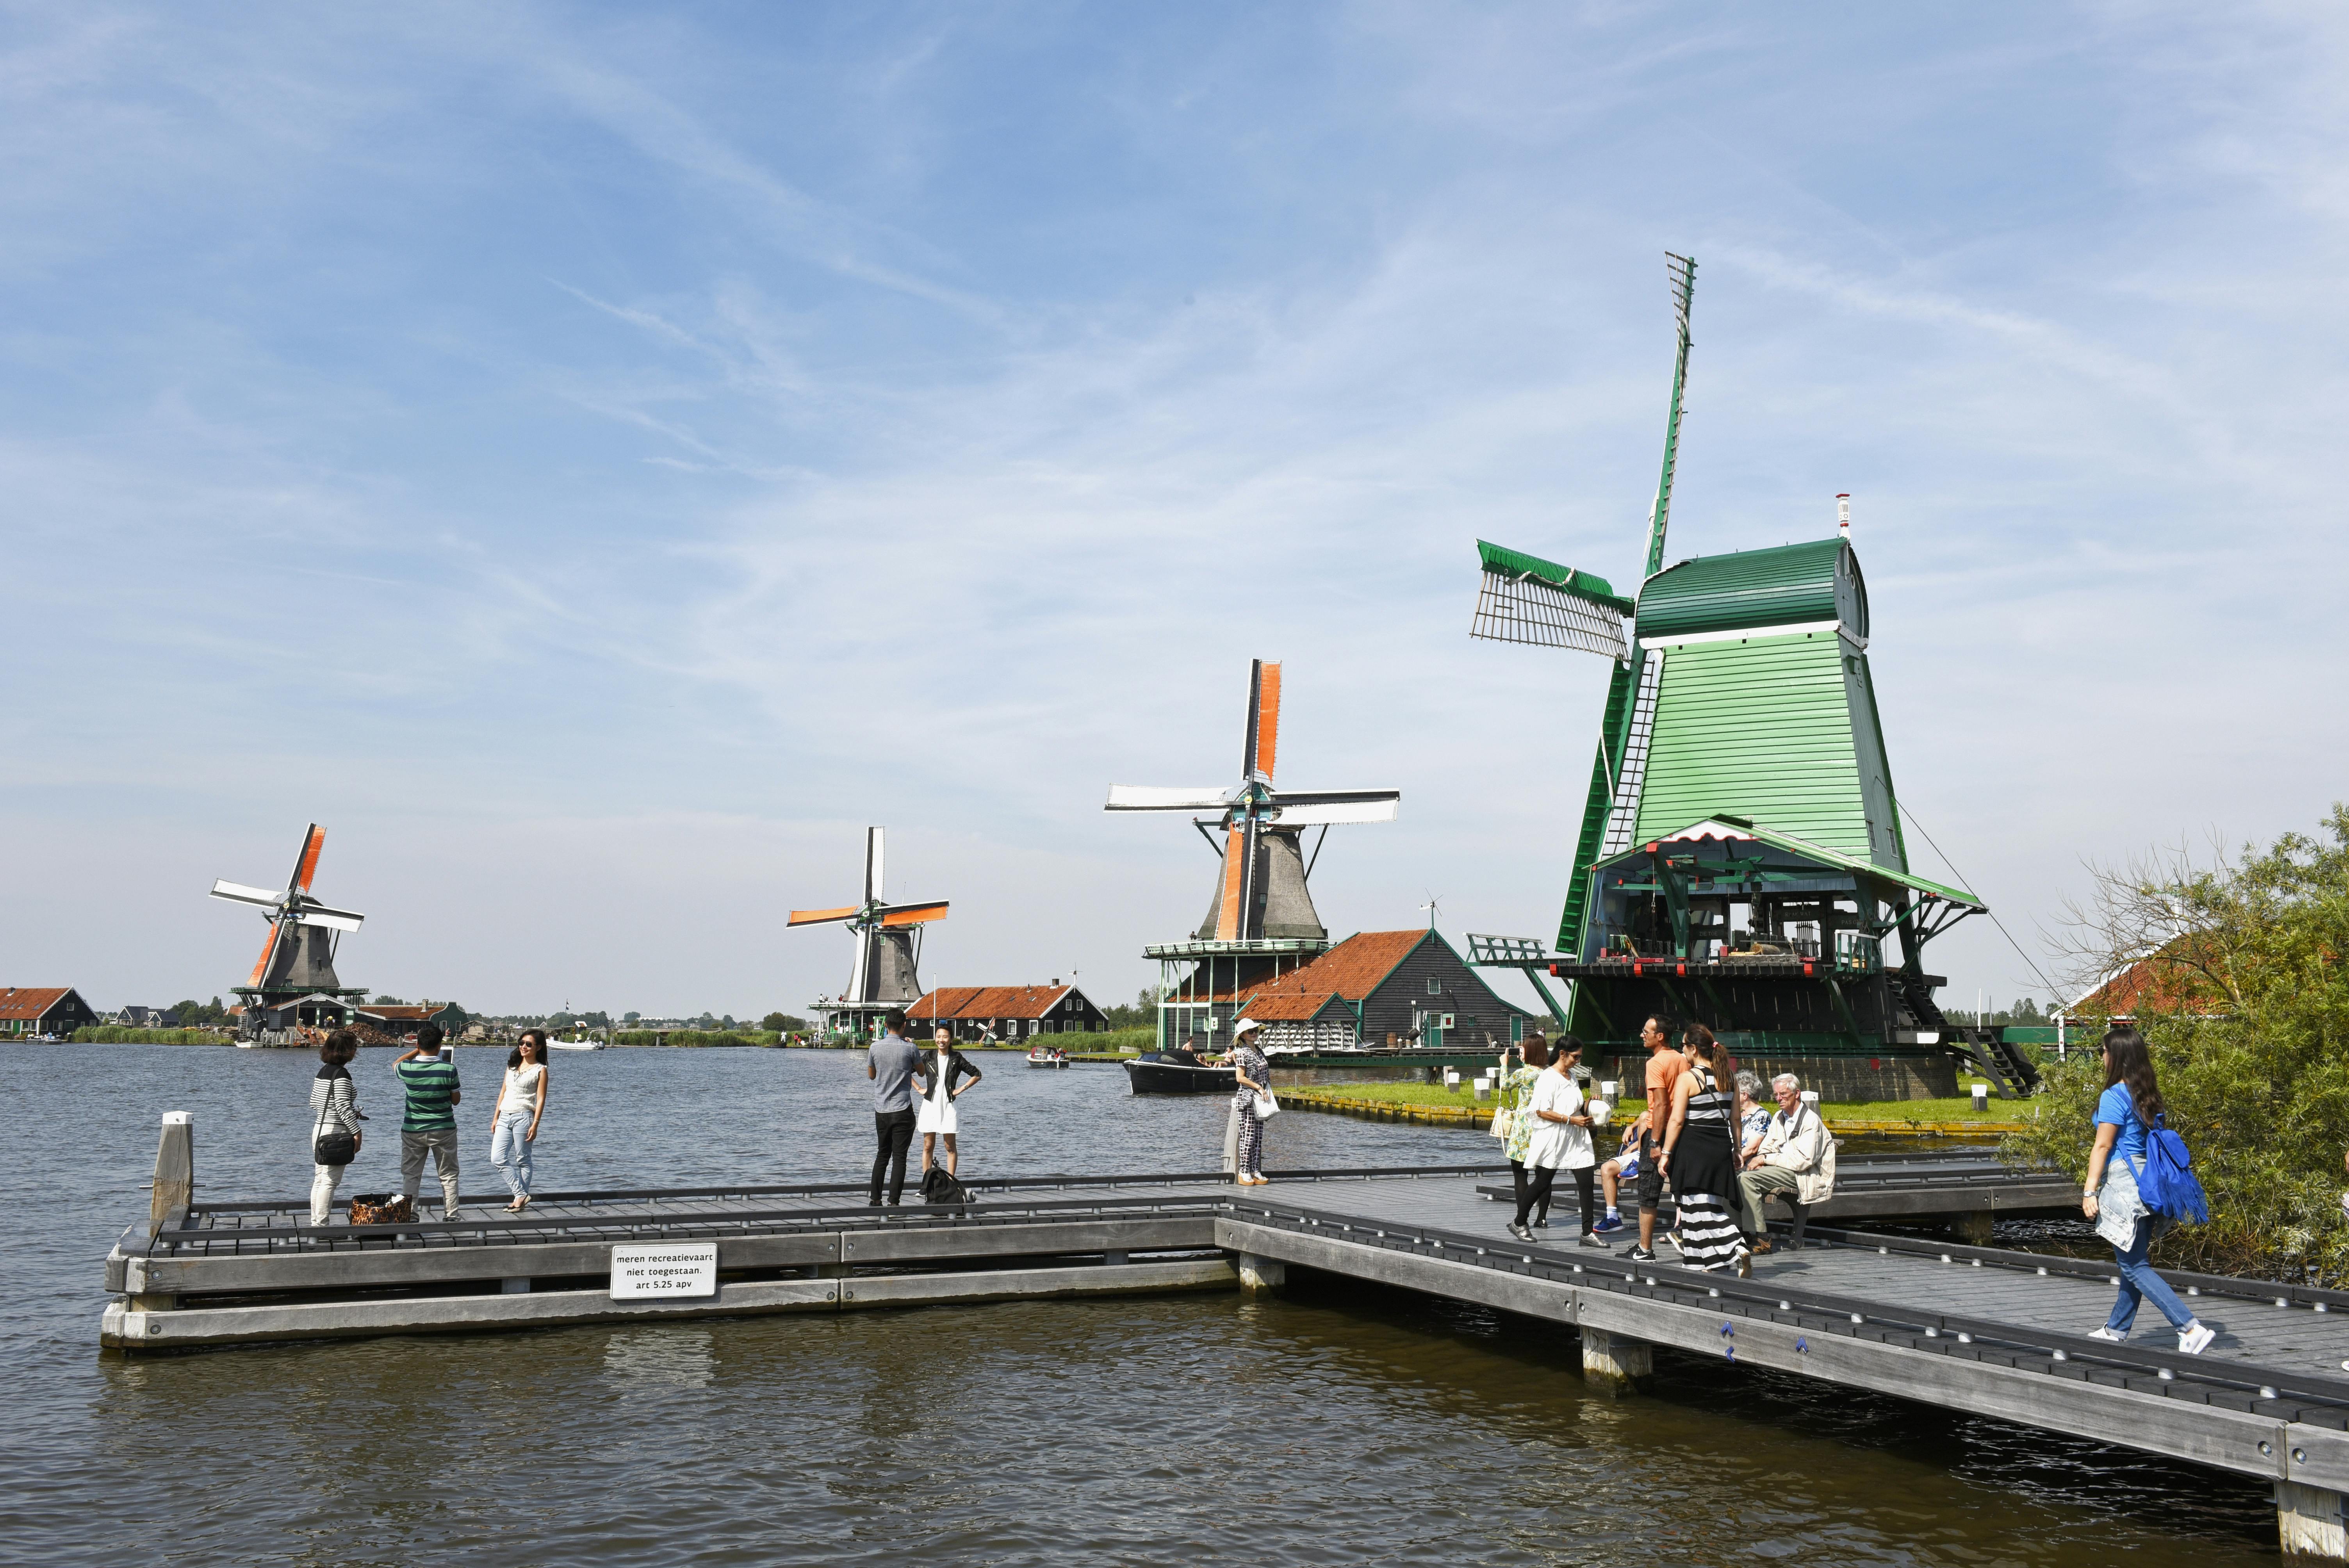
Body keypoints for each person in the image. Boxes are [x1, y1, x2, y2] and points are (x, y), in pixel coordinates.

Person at [2083, 1026, 2215, 1354]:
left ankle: (2190, 1327)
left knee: (2132, 1265)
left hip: (2126, 1187)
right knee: (2135, 1260)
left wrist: (2089, 1191)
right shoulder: (2147, 1095)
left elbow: (2103, 1146)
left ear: (2116, 1057)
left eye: (2104, 1051)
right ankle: (2117, 1329)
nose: (2102, 1056)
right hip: (2151, 1184)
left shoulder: (2114, 1095)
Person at [1657, 1022, 1749, 1276]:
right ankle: (1703, 1262)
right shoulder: (1729, 1077)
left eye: (1684, 1046)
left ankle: (1736, 1245)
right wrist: (1738, 1149)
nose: (1682, 1051)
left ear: (1694, 1049)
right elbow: (1736, 1119)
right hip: (1720, 1146)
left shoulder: (1689, 1078)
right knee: (1699, 1204)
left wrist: (1665, 1153)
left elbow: (1676, 1120)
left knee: (1697, 1205)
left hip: (1693, 1147)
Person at [1510, 1035, 1605, 1247]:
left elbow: (1573, 1105)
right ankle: (1519, 1222)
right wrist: (1571, 1120)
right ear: (1562, 1054)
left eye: (1580, 1057)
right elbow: (1541, 1111)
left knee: (1587, 1183)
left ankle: (1587, 1233)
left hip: (1577, 1138)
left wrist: (1590, 1104)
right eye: (1576, 1057)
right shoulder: (1548, 1078)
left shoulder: (1572, 1077)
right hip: (1556, 1137)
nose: (1578, 1061)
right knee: (1543, 1182)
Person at [1735, 1073, 1833, 1253]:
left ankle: (1762, 1238)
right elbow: (1766, 1148)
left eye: (1783, 1094)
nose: (1779, 1099)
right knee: (1733, 1178)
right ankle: (1740, 1234)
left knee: (1746, 1180)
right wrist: (1764, 1159)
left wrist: (1766, 1159)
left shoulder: (1810, 1121)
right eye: (1776, 1095)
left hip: (1803, 1175)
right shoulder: (1780, 1117)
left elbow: (1802, 1161)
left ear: (1797, 1094)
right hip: (1780, 1168)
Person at [1626, 1015, 1683, 1263]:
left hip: (1658, 1131)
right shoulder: (1682, 1059)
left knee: (1648, 1192)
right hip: (1680, 1131)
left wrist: (1655, 1142)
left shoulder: (1655, 1063)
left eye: (1646, 1031)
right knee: (1683, 1189)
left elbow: (1660, 1104)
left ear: (1660, 1036)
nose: (1642, 1035)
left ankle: (1645, 1249)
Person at [394, 1023, 462, 1222]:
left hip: (413, 1130)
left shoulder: (408, 1069)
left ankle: (411, 1214)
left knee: (411, 1175)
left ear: (418, 1044)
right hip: (444, 1129)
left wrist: (416, 1051)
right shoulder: (449, 1069)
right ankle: (451, 1216)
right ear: (440, 1046)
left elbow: (395, 1064)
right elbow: (456, 1101)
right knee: (448, 1175)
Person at [490, 1029, 550, 1212]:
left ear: (538, 1048)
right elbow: (503, 1092)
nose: (523, 1046)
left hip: (524, 1117)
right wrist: (495, 1117)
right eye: (521, 1043)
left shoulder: (541, 1070)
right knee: (497, 1158)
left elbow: (541, 1099)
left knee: (523, 1159)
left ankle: (519, 1201)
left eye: (529, 1044)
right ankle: (521, 1194)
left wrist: (536, 1124)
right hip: (504, 1116)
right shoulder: (512, 1067)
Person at [308, 1029, 364, 1227]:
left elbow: (314, 1102)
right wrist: (357, 1131)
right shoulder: (342, 1074)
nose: (356, 1051)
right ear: (346, 1051)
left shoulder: (323, 1072)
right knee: (330, 1182)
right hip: (336, 1133)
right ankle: (321, 1226)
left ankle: (316, 1222)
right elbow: (341, 1105)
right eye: (355, 1047)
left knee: (320, 1179)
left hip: (319, 1129)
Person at [867, 1011, 920, 1206]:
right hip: (902, 1109)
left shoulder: (874, 1047)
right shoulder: (911, 1048)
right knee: (900, 1157)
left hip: (881, 1110)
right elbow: (921, 1072)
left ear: (886, 1025)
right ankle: (894, 1203)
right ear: (904, 1025)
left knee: (882, 1154)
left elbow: (872, 1075)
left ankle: (875, 1200)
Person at [914, 1026, 983, 1178]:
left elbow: (977, 1074)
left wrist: (960, 1089)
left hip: (949, 1105)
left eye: (945, 1037)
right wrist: (918, 1088)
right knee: (928, 1146)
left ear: (951, 1039)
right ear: (935, 1039)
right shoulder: (928, 1056)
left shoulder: (956, 1058)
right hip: (930, 1105)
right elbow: (906, 1071)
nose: (941, 1040)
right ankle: (926, 1184)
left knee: (950, 1146)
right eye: (939, 1037)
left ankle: (952, 1182)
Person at [1498, 1037, 1552, 1225]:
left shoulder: (1523, 1074)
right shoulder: (1550, 1074)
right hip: (1546, 1126)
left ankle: (1523, 1219)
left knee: (1520, 1174)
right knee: (1543, 1176)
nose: (1520, 1052)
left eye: (1523, 1050)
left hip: (1524, 1127)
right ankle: (1543, 1218)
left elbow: (1504, 1086)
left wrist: (1504, 1065)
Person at [1228, 1017, 1273, 1186]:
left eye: (1255, 1030)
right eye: (1250, 1032)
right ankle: (1244, 1171)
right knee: (1248, 1136)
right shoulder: (1242, 1053)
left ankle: (1255, 1170)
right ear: (1243, 1036)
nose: (1254, 1033)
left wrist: (1265, 1090)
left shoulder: (1260, 1052)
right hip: (1247, 1099)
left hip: (1261, 1099)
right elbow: (1240, 1078)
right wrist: (1258, 1087)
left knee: (1258, 1137)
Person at [1593, 1110, 1649, 1233]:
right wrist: (1632, 1126)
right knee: (1606, 1168)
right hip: (1641, 1150)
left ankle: (1638, 1162)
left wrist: (1633, 1147)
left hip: (1655, 1149)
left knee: (1645, 1116)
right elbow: (1648, 1115)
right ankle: (1612, 1218)